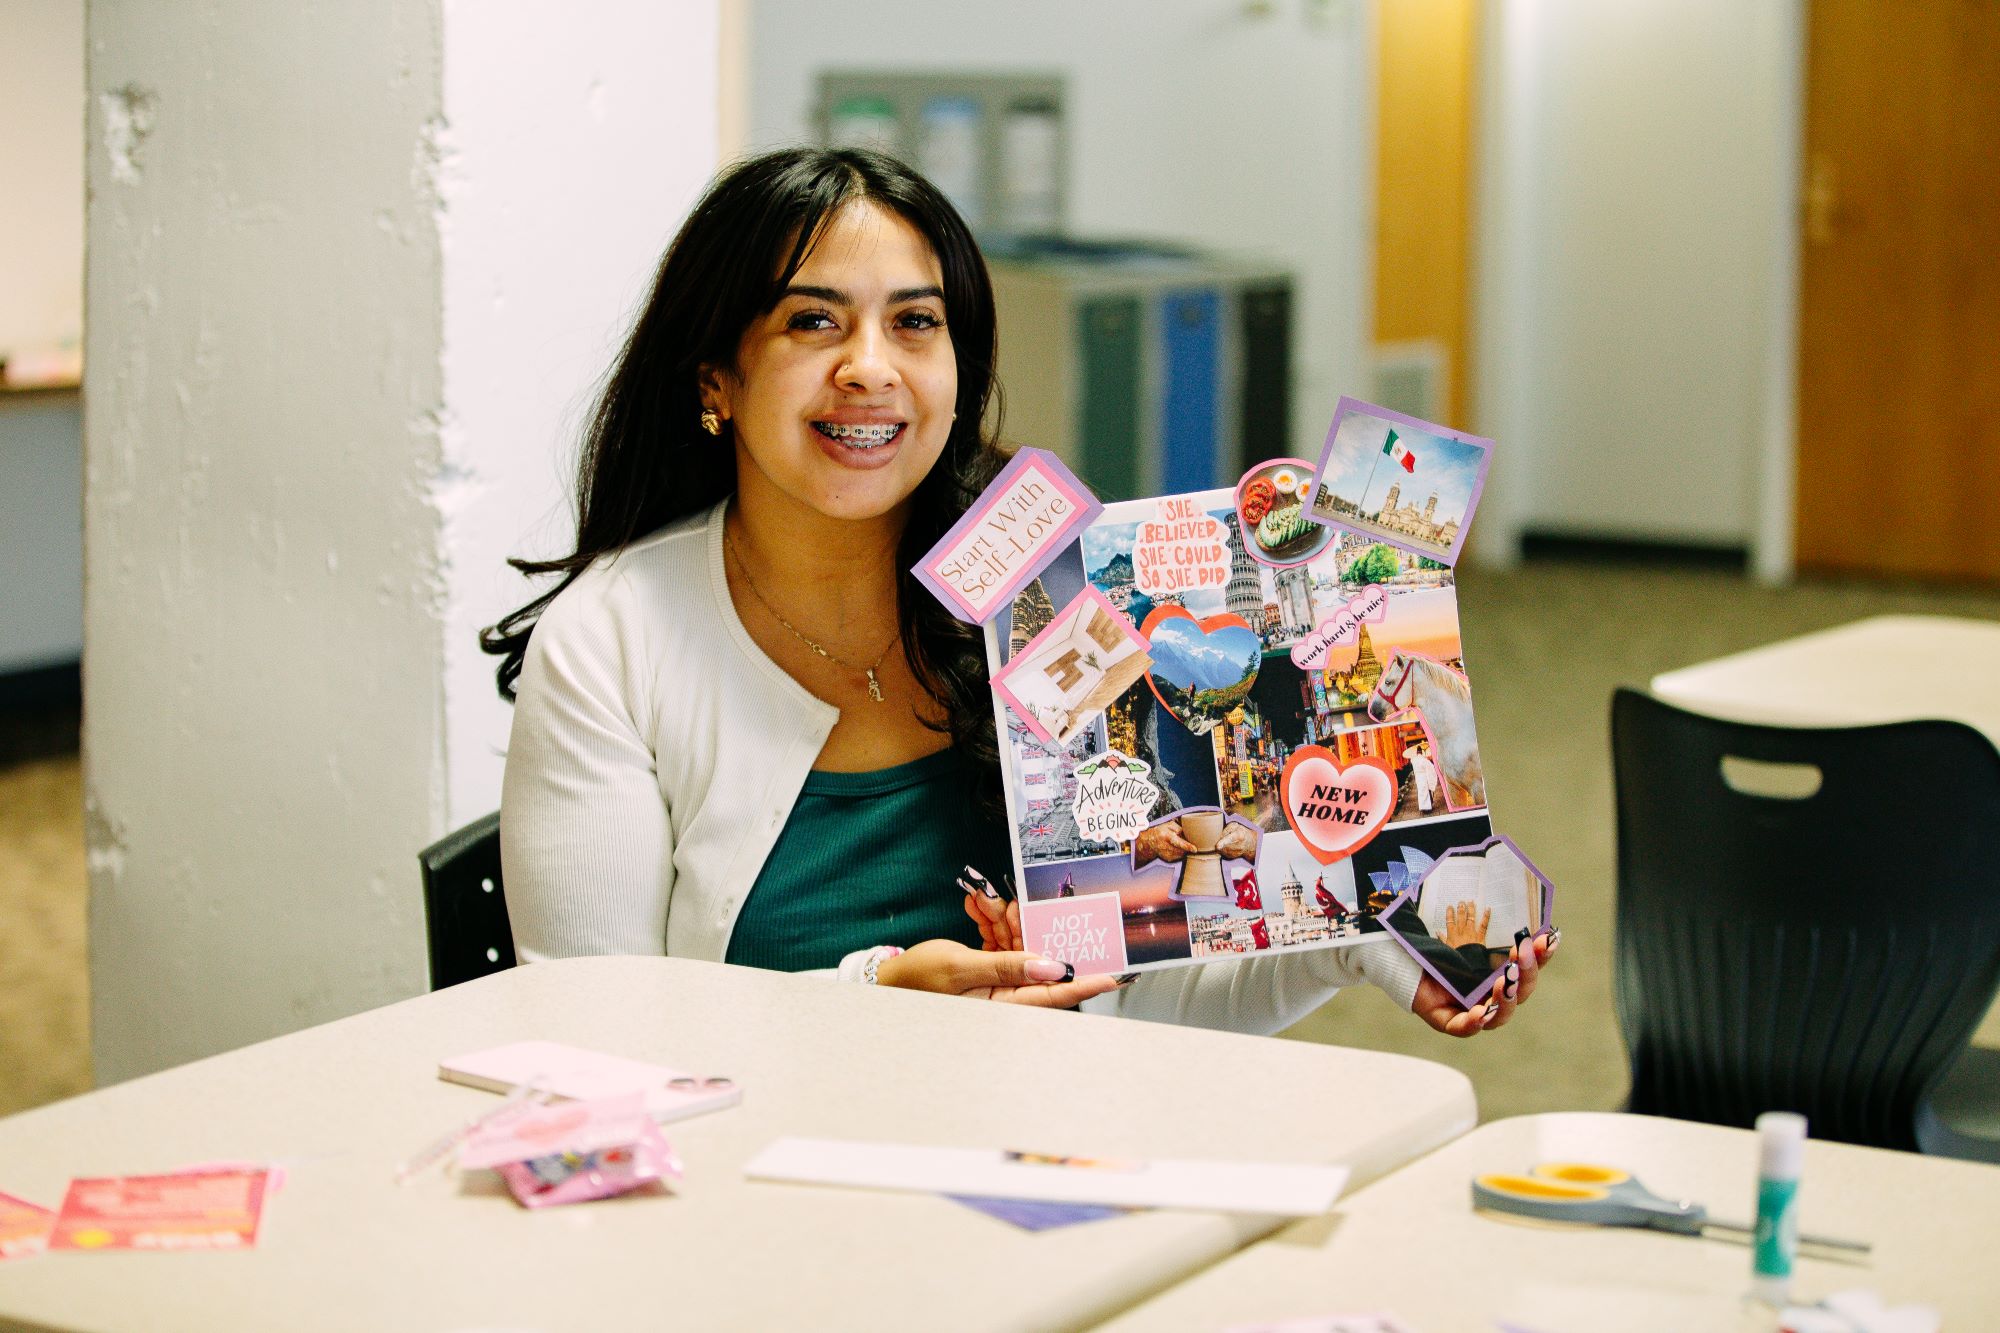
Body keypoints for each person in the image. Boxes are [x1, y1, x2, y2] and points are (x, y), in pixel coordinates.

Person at [485, 146, 1552, 1037]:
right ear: (715, 378)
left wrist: (1361, 936)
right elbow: (592, 1034)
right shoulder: (613, 640)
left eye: (915, 323)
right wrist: (874, 999)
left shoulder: (1047, 600)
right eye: (813, 322)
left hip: (1048, 1161)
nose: (870, 367)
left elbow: (1149, 995)